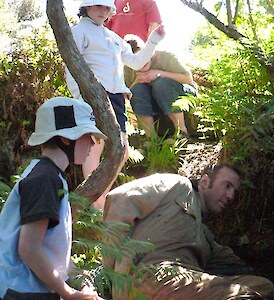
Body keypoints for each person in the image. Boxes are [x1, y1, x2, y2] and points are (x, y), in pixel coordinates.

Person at [103, 164, 274, 299]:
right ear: (204, 182)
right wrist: (115, 273)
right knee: (243, 296)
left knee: (264, 287)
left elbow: (234, 261)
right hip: (151, 275)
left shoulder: (204, 236)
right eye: (227, 186)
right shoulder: (178, 186)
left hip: (184, 281)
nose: (230, 196)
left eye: (234, 191)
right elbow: (120, 201)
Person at [0, 97, 106, 300]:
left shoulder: (51, 175)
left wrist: (78, 278)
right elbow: (29, 248)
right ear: (66, 139)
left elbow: (49, 246)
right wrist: (68, 293)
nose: (93, 143)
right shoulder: (45, 179)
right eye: (87, 136)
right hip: (21, 292)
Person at [65, 0, 165, 210]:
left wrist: (154, 40)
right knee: (95, 148)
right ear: (87, 7)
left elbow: (136, 62)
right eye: (98, 6)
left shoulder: (112, 37)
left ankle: (99, 197)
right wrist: (81, 96)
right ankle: (95, 207)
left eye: (107, 8)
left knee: (121, 150)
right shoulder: (77, 31)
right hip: (92, 96)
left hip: (116, 98)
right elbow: (71, 66)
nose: (104, 11)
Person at [124, 34, 197, 138]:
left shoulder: (165, 57)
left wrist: (159, 73)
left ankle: (182, 132)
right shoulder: (128, 69)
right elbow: (128, 94)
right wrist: (137, 80)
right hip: (155, 99)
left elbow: (188, 79)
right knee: (137, 89)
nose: (140, 63)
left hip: (181, 92)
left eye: (142, 58)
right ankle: (151, 138)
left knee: (161, 84)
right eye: (135, 62)